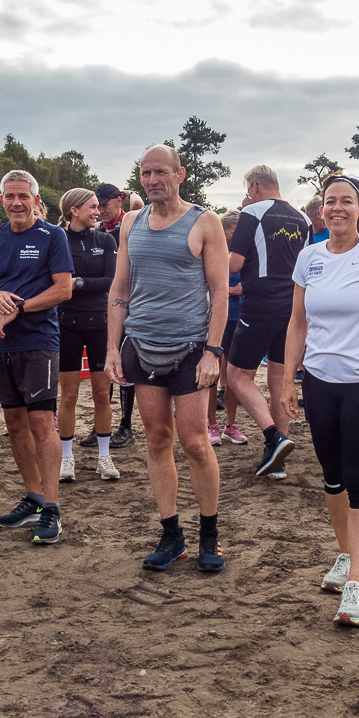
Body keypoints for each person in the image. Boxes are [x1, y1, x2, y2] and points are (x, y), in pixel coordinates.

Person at [282, 173, 359, 627]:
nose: (337, 208)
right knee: (332, 479)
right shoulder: (309, 257)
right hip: (319, 382)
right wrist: (290, 378)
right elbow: (297, 322)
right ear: (321, 209)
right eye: (330, 201)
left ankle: (357, 586)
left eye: (346, 201)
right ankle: (346, 556)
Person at [106, 145, 229, 573]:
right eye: (145, 173)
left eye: (161, 171)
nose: (153, 179)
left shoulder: (205, 221)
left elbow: (220, 293)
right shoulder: (130, 223)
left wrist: (213, 351)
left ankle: (209, 536)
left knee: (195, 442)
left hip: (192, 349)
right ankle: (171, 534)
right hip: (141, 346)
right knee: (157, 439)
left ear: (179, 174)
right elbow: (120, 288)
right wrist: (110, 348)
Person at [0, 170, 73, 545]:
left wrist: (20, 308)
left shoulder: (53, 236)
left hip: (40, 342)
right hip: (3, 343)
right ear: (1, 199)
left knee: (39, 423)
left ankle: (51, 507)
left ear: (35, 199)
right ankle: (32, 496)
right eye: (9, 196)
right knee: (14, 423)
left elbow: (63, 289)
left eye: (23, 196)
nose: (16, 202)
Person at [226, 165, 309, 477]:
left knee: (236, 376)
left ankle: (273, 436)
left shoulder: (252, 212)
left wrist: (207, 259)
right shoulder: (301, 218)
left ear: (255, 186)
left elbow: (235, 262)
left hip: (259, 305)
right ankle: (278, 462)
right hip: (293, 309)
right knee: (279, 383)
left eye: (248, 190)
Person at [56, 187, 120, 482]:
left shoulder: (105, 239)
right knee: (68, 396)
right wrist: (70, 285)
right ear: (74, 211)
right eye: (93, 207)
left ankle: (104, 457)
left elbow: (110, 281)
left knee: (101, 396)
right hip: (65, 324)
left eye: (98, 207)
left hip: (99, 325)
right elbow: (53, 282)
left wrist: (77, 282)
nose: (98, 211)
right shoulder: (57, 239)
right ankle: (66, 458)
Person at [94, 183, 137, 448]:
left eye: (105, 205)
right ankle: (104, 426)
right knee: (104, 369)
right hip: (103, 308)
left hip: (128, 306)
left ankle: (126, 426)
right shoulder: (97, 230)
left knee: (125, 367)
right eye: (96, 206)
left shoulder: (131, 225)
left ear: (118, 201)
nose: (100, 211)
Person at [210, 210, 247, 446]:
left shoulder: (244, 253)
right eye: (234, 231)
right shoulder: (213, 251)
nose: (236, 236)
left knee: (233, 373)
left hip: (239, 317)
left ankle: (230, 425)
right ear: (224, 230)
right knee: (212, 371)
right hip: (216, 318)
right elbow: (209, 284)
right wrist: (232, 290)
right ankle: (211, 424)